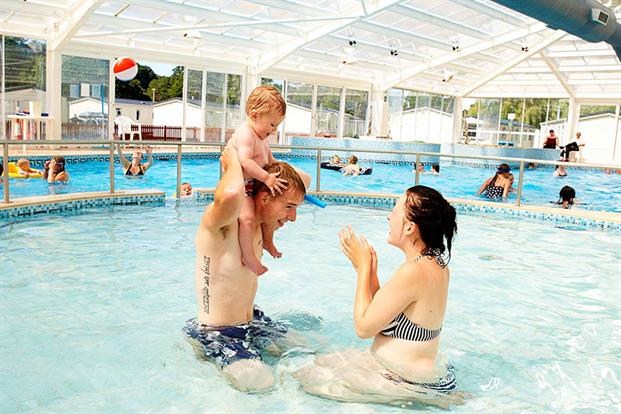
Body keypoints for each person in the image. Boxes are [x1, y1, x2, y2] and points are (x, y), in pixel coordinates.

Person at [294, 186, 459, 406]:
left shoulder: (414, 271)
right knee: (319, 362)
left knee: (305, 378)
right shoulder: (435, 264)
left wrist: (363, 269)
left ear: (409, 227)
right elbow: (387, 313)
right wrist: (369, 271)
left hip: (405, 382)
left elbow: (363, 328)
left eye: (395, 210)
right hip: (417, 377)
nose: (389, 216)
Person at [183, 144, 310, 392]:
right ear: (264, 198)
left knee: (311, 348)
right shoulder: (223, 225)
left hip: (252, 321)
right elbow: (230, 195)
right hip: (218, 332)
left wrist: (261, 161)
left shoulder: (259, 225)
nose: (293, 217)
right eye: (289, 207)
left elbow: (303, 179)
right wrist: (233, 160)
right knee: (261, 385)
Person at [230, 85, 288, 276]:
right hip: (243, 187)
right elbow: (245, 161)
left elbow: (267, 156)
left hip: (255, 184)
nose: (274, 130)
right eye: (272, 125)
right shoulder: (246, 133)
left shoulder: (261, 134)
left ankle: (268, 241)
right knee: (247, 218)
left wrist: (275, 166)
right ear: (254, 115)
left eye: (277, 125)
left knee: (271, 209)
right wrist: (266, 177)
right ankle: (248, 256)